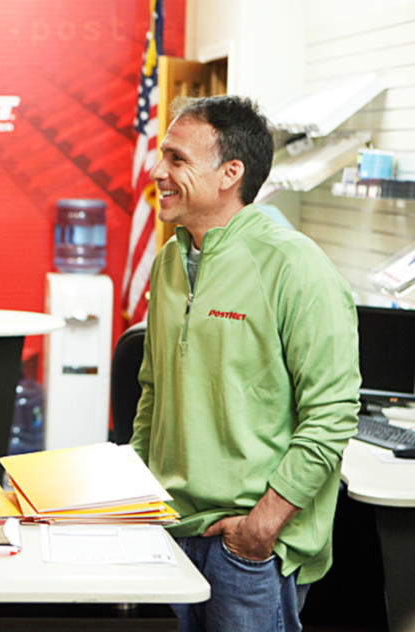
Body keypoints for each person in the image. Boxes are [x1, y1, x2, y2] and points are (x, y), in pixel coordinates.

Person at [130, 95, 360, 631]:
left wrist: (262, 527)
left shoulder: (294, 264)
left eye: (177, 159)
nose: (158, 171)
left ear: (231, 173)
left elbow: (333, 412)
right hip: (168, 531)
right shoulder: (169, 261)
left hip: (248, 547)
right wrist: (138, 494)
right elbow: (152, 389)